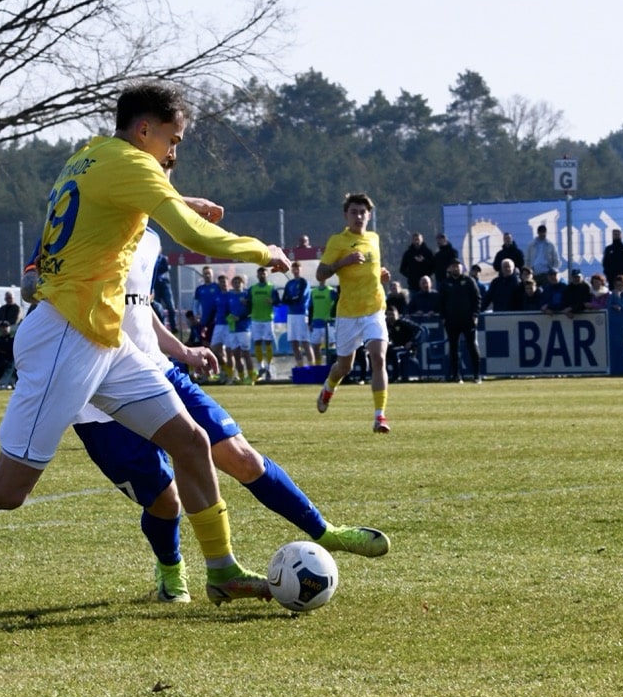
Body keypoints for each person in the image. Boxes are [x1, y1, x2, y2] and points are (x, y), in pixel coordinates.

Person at [0, 81, 290, 605]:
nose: (174, 152)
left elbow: (109, 207)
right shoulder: (133, 164)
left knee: (190, 442)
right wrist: (260, 251)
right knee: (6, 489)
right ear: (145, 130)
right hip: (66, 337)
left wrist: (177, 197)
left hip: (100, 336)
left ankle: (222, 570)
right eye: (173, 140)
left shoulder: (89, 156)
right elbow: (194, 235)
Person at [72, 223, 388, 602]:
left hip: (158, 371)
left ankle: (323, 532)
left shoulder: (151, 239)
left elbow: (139, 307)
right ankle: (172, 571)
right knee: (164, 499)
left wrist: (183, 352)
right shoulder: (85, 225)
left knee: (241, 456)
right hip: (101, 395)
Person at [314, 193, 391, 433]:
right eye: (354, 212)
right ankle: (329, 387)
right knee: (344, 366)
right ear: (346, 215)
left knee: (378, 358)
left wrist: (381, 275)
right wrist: (342, 263)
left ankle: (380, 417)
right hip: (348, 313)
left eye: (362, 212)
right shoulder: (338, 241)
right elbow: (321, 274)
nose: (359, 216)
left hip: (374, 309)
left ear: (369, 215)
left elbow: (370, 270)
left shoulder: (374, 238)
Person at [437, 260, 482, 383]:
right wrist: (443, 317)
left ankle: (477, 375)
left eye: (457, 266)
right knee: (453, 348)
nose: (455, 268)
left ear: (461, 267)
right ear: (449, 268)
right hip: (452, 321)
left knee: (472, 346)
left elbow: (477, 298)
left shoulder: (468, 281)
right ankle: (456, 376)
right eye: (453, 266)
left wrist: (475, 314)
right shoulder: (445, 283)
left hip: (468, 320)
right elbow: (440, 302)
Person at [247, 266, 277, 381]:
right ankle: (261, 367)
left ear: (267, 275)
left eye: (264, 273)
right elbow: (248, 301)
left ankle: (269, 368)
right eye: (260, 274)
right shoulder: (252, 289)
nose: (262, 275)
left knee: (268, 343)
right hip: (255, 319)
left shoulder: (271, 288)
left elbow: (277, 301)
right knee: (257, 343)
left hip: (267, 319)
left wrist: (272, 301)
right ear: (257, 275)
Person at [224, 273, 254, 384]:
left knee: (246, 353)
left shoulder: (246, 295)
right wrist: (229, 317)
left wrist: (240, 317)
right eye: (235, 283)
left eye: (239, 282)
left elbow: (250, 310)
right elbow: (226, 311)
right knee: (236, 354)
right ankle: (242, 377)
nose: (237, 284)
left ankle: (251, 377)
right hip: (233, 329)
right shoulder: (230, 296)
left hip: (244, 328)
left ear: (243, 283)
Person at [282, 260, 313, 368]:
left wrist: (291, 299)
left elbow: (300, 298)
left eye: (297, 269)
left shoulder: (304, 282)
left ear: (301, 270)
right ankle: (300, 366)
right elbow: (284, 299)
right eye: (294, 269)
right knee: (294, 342)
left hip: (302, 314)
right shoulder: (289, 283)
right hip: (291, 315)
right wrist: (291, 299)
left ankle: (311, 366)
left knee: (305, 342)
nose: (295, 271)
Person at [308, 273, 336, 364]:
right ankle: (318, 365)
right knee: (315, 346)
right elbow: (311, 308)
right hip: (316, 323)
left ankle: (331, 364)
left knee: (332, 345)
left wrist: (333, 317)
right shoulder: (313, 292)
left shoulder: (331, 291)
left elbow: (338, 304)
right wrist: (310, 322)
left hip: (328, 323)